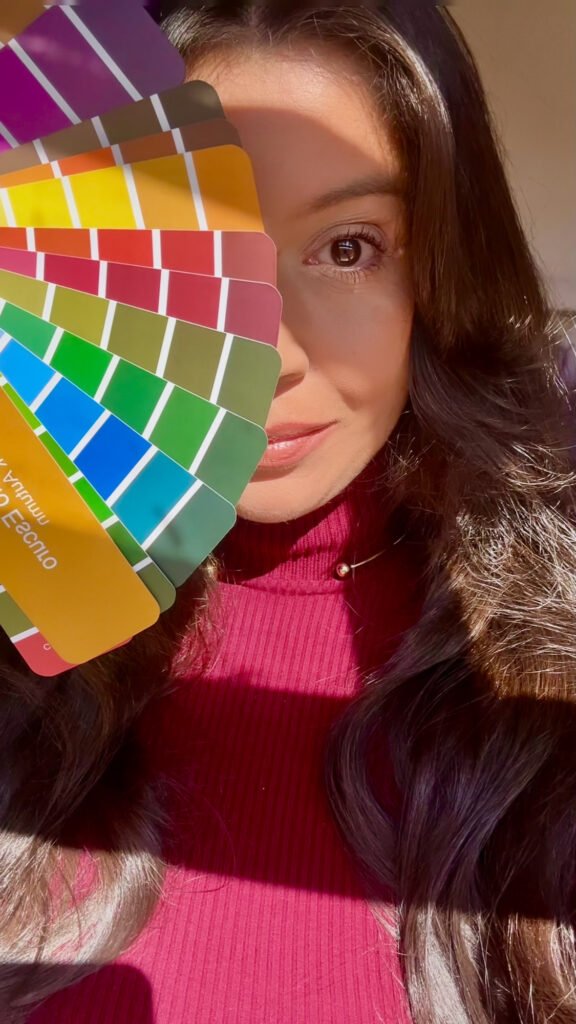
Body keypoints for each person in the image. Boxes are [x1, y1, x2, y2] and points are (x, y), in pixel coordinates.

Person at [3, 2, 576, 1022]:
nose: (271, 359)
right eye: (193, 250)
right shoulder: (28, 598)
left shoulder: (546, 667)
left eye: (349, 248)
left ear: (441, 272)